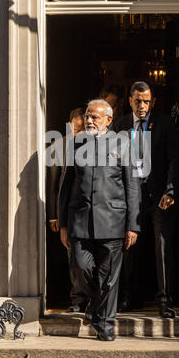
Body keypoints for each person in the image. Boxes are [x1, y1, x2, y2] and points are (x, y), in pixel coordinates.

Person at [59, 100, 141, 341]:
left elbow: (132, 186)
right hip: (79, 220)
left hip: (113, 220)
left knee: (109, 277)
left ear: (108, 120)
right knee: (80, 266)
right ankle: (96, 305)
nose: (89, 120)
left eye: (94, 117)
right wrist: (63, 223)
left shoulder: (123, 144)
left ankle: (105, 323)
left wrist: (133, 225)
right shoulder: (75, 144)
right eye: (87, 116)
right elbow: (65, 186)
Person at [114, 81, 179, 318]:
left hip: (158, 195)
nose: (142, 106)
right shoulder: (119, 125)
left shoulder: (164, 123)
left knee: (162, 246)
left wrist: (170, 190)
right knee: (129, 246)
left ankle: (165, 300)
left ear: (152, 101)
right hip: (128, 195)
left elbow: (174, 158)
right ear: (129, 100)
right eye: (137, 101)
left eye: (146, 101)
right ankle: (129, 297)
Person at [47, 107, 88, 313]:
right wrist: (54, 215)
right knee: (73, 255)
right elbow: (54, 184)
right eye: (77, 126)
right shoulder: (59, 144)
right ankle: (77, 298)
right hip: (68, 210)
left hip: (89, 210)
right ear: (71, 124)